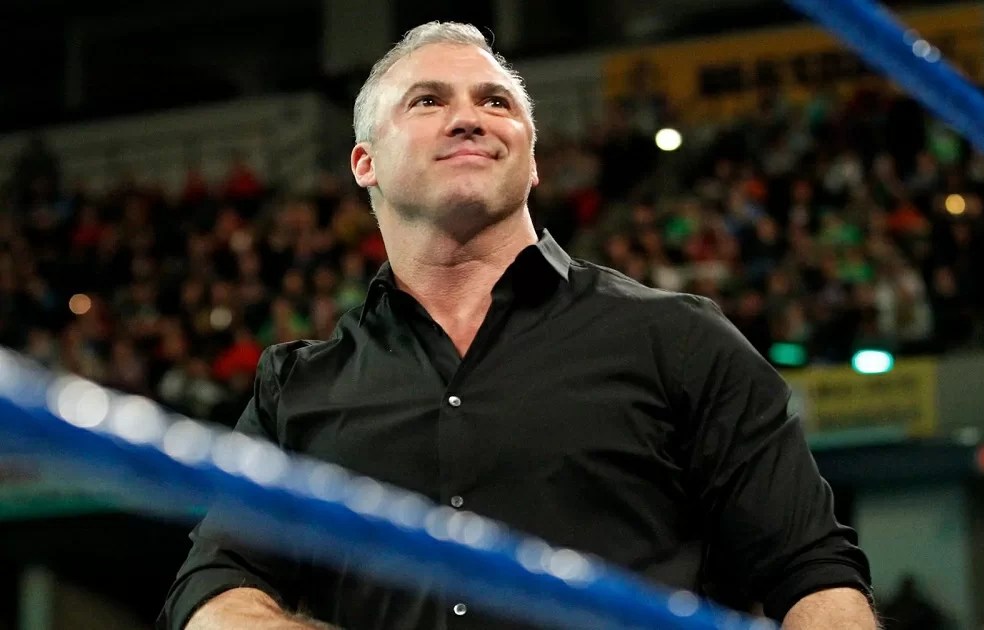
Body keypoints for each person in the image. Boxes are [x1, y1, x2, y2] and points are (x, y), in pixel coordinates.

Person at [158, 21, 875, 630]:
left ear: (531, 161)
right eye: (428, 100)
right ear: (364, 162)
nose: (468, 117)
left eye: (495, 101)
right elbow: (214, 593)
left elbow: (815, 575)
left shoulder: (678, 340)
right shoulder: (295, 388)